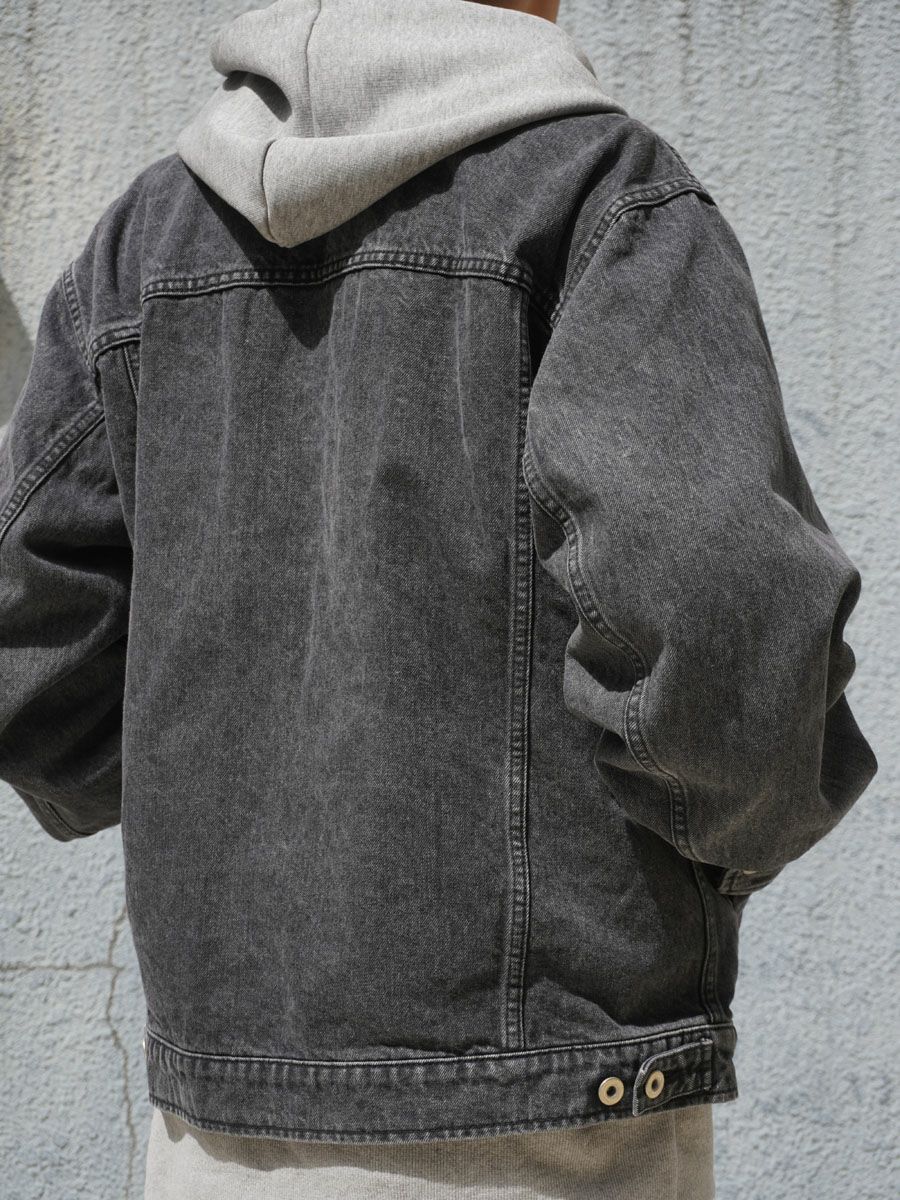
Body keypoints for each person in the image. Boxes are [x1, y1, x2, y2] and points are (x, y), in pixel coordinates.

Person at [0, 0, 878, 1197]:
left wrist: (215, 802)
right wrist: (726, 845)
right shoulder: (600, 195)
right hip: (548, 1124)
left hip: (217, 1141)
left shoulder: (142, 241)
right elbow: (724, 615)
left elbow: (31, 653)